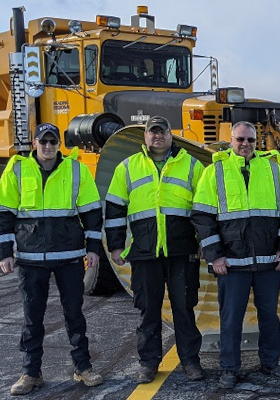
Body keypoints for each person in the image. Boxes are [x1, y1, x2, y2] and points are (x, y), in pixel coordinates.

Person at [0, 123, 104, 395]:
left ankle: (83, 368)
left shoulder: (76, 169)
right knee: (32, 318)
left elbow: (91, 212)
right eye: (43, 141)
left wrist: (93, 249)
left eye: (53, 142)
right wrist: (5, 253)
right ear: (34, 143)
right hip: (30, 258)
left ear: (58, 145)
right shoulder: (17, 169)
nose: (48, 146)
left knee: (75, 314)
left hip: (69, 256)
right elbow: (3, 213)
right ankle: (31, 373)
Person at [192, 121, 280, 389]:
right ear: (231, 140)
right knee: (231, 319)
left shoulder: (274, 169)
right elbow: (203, 216)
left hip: (267, 262)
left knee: (269, 317)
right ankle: (229, 369)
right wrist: (215, 256)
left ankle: (270, 364)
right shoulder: (215, 171)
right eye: (240, 139)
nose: (245, 144)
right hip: (231, 263)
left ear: (256, 141)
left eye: (250, 140)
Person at [105, 116, 206, 383]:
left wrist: (206, 242)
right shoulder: (127, 168)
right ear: (145, 137)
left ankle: (190, 361)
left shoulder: (192, 166)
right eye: (153, 132)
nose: (157, 136)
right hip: (144, 251)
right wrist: (116, 246)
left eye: (162, 132)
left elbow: (205, 209)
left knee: (184, 308)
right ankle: (148, 363)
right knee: (148, 310)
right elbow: (115, 209)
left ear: (171, 136)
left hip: (182, 251)